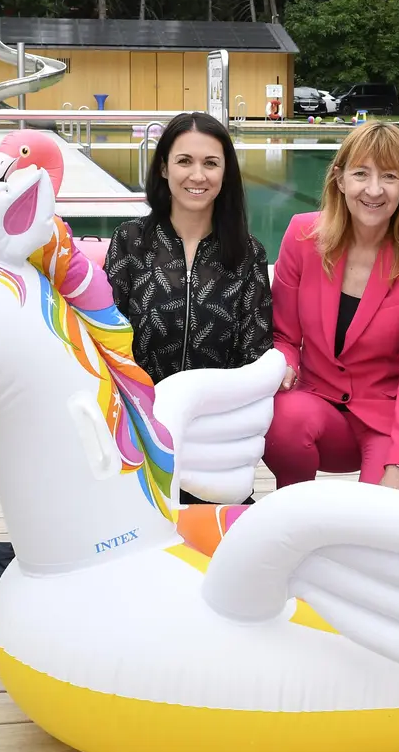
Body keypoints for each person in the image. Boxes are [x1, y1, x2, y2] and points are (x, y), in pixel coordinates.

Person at [263, 121, 399, 497]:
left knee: (378, 526)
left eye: (390, 176)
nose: (375, 190)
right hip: (319, 405)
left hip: (393, 417)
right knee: (283, 417)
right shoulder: (302, 236)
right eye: (361, 174)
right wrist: (286, 363)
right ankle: (295, 513)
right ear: (340, 179)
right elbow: (283, 335)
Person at [103, 111, 273, 503]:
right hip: (137, 434)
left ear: (225, 173)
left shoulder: (247, 254)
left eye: (210, 163)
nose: (198, 175)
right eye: (185, 161)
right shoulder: (131, 242)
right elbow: (107, 339)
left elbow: (255, 358)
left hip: (212, 448)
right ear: (164, 168)